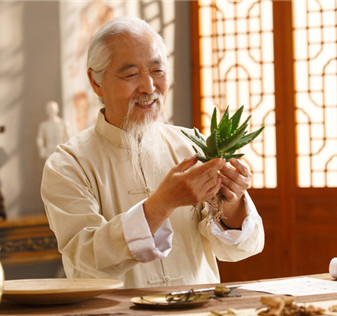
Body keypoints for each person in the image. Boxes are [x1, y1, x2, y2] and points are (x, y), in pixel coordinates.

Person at [41, 16, 264, 288]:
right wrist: (161, 205)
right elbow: (86, 258)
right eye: (131, 74)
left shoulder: (193, 144)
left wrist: (231, 199)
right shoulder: (68, 164)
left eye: (157, 71)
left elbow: (237, 250)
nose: (148, 87)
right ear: (96, 82)